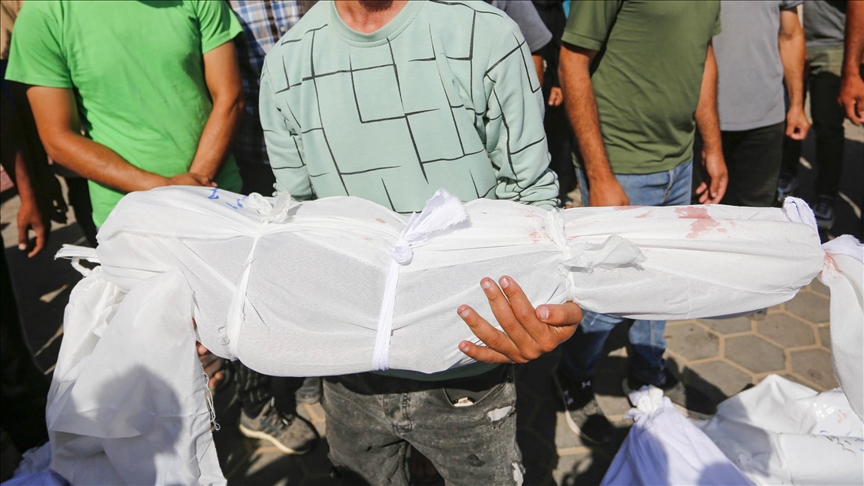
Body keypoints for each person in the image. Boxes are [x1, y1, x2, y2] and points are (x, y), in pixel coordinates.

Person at [260, 1, 582, 483]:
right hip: (352, 369)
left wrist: (546, 303)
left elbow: (531, 201)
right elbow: (299, 223)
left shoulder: (483, 34)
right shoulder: (286, 64)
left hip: (470, 364)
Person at [3, 0, 309, 456]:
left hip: (219, 197)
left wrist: (194, 183)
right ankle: (177, 446)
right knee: (165, 342)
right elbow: (58, 137)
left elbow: (228, 95)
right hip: (132, 218)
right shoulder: (48, 15)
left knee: (242, 313)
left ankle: (256, 405)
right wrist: (164, 189)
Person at [557, 0, 728, 444]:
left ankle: (647, 372)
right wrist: (600, 176)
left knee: (662, 283)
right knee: (608, 296)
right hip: (621, 164)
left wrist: (712, 147)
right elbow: (572, 61)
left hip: (679, 160)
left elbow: (703, 55)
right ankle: (573, 373)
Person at [228, 0, 320, 456]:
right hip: (250, 159)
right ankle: (258, 402)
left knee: (314, 273)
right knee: (254, 288)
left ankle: (311, 383)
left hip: (320, 153)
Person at [713, 0, 809, 208]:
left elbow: (791, 35)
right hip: (701, 118)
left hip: (765, 116)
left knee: (757, 213)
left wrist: (796, 105)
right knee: (703, 216)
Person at [777, 0, 848, 229]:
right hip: (785, 36)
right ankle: (786, 174)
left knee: (828, 124)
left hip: (831, 44)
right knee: (785, 112)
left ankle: (826, 194)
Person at [532, 0, 577, 207]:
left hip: (551, 82)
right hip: (529, 83)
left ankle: (561, 190)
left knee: (557, 138)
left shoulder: (553, 6)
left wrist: (559, 82)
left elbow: (561, 42)